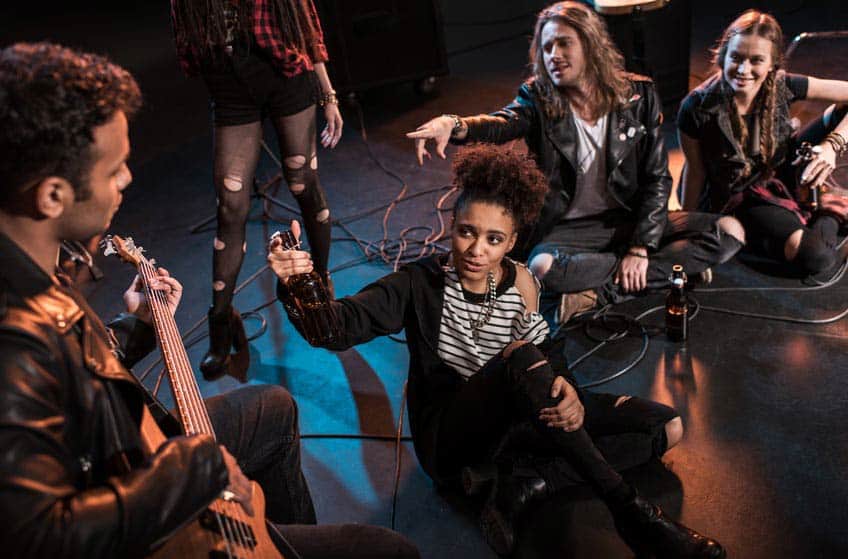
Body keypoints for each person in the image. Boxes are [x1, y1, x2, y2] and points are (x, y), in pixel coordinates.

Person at [0, 42, 418, 559]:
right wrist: (196, 469)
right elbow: (43, 538)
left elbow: (70, 378)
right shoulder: (13, 340)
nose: (129, 178)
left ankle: (273, 541)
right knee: (389, 552)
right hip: (134, 492)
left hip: (128, 455)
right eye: (114, 171)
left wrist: (139, 328)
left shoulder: (36, 268)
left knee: (271, 406)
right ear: (52, 196)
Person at [269, 144, 725, 558]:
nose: (477, 249)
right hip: (452, 441)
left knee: (668, 427)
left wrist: (565, 387)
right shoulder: (418, 283)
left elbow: (551, 352)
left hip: (522, 416)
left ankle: (527, 482)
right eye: (467, 232)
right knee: (523, 357)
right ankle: (633, 515)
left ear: (511, 242)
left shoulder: (523, 281)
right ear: (452, 226)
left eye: (493, 238)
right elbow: (332, 330)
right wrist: (299, 281)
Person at [407, 1, 744, 324]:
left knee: (731, 231)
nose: (554, 54)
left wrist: (640, 247)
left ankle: (596, 293)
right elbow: (502, 123)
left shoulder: (639, 96)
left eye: (564, 44)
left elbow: (657, 179)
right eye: (547, 46)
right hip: (569, 231)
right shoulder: (537, 97)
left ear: (591, 45)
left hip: (629, 219)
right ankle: (673, 272)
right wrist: (454, 124)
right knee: (540, 268)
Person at [170, 0, 343, 381]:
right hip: (230, 83)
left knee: (301, 181)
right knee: (231, 202)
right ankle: (221, 321)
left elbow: (305, 27)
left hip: (285, 76)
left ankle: (321, 283)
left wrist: (327, 94)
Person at [678, 9, 848, 277]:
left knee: (841, 113)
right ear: (723, 56)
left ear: (772, 64)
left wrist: (831, 146)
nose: (744, 70)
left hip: (779, 165)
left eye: (756, 60)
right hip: (741, 193)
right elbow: (695, 171)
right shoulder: (697, 107)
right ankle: (832, 209)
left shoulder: (784, 85)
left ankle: (806, 199)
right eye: (736, 58)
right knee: (815, 258)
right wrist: (688, 231)